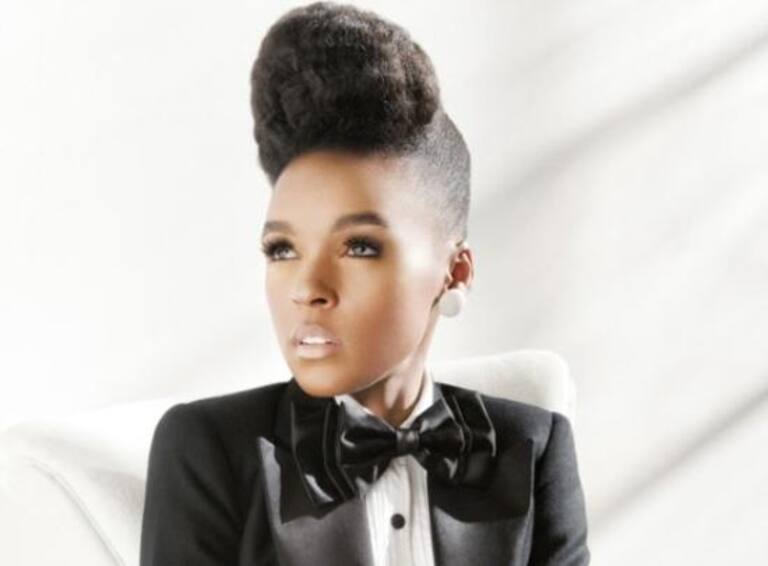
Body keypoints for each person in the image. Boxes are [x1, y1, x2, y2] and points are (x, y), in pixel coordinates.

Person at [139, 2, 590, 565]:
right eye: (282, 249)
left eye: (359, 247)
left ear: (455, 272)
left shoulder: (533, 446)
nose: (307, 287)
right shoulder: (209, 449)